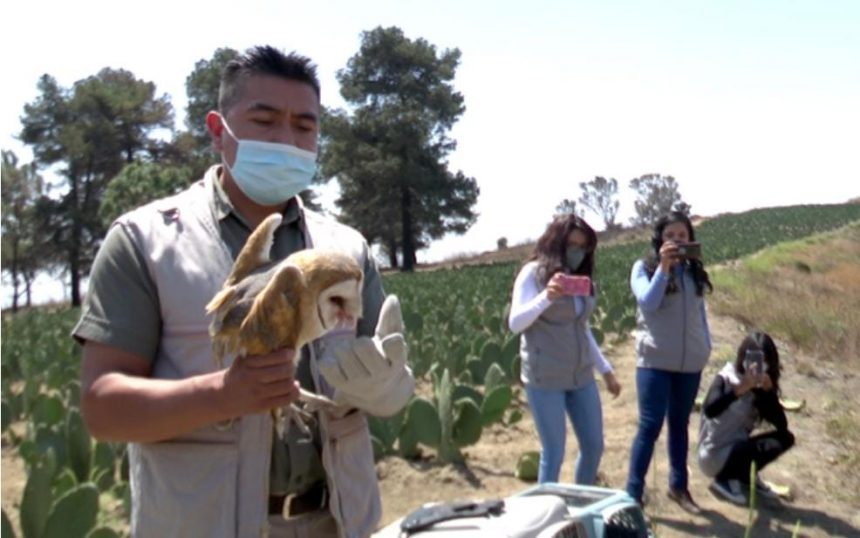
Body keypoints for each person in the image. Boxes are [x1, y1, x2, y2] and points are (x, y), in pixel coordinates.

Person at [74, 46, 414, 538]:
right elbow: (103, 408)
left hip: (338, 521)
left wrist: (387, 390)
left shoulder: (348, 248)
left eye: (304, 126)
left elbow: (384, 367)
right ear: (218, 130)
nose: (287, 139)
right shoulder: (145, 243)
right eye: (265, 120)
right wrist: (222, 394)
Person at [508, 213, 622, 486]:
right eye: (572, 245)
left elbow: (581, 328)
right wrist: (547, 297)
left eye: (583, 247)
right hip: (545, 377)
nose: (577, 252)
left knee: (594, 445)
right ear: (556, 243)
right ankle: (548, 514)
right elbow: (515, 323)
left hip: (580, 374)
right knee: (554, 452)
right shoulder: (533, 275)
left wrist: (605, 370)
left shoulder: (582, 280)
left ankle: (581, 500)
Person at [625, 211, 712, 514]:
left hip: (690, 363)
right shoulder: (643, 268)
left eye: (682, 236)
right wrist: (664, 268)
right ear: (659, 240)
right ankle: (632, 495)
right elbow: (647, 302)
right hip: (655, 362)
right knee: (650, 426)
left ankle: (679, 487)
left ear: (690, 239)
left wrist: (706, 345)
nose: (677, 241)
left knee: (680, 424)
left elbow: (700, 313)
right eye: (670, 236)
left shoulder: (694, 272)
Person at [697, 331, 795, 505]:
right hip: (714, 453)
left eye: (764, 362)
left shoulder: (762, 386)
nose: (758, 366)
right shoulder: (726, 377)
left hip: (738, 447)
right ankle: (724, 479)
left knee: (785, 438)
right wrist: (739, 390)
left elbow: (781, 425)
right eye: (755, 360)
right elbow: (710, 409)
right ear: (744, 358)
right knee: (742, 449)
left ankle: (743, 475)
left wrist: (768, 392)